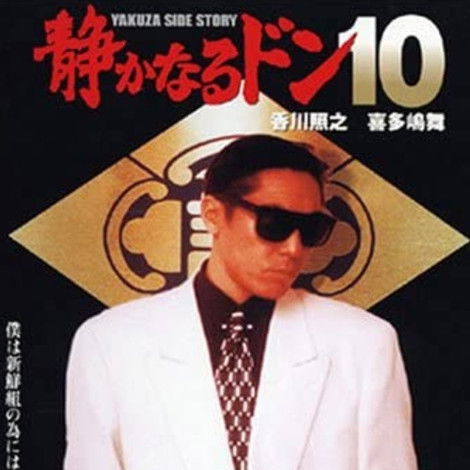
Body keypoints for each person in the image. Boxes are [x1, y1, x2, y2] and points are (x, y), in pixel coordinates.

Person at [64, 135, 417, 470]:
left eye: (311, 230)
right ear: (213, 213)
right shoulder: (109, 342)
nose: (294, 248)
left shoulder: (364, 344)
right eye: (274, 223)